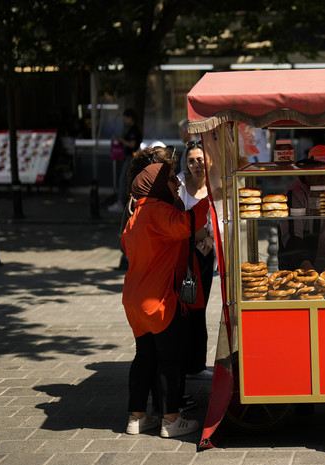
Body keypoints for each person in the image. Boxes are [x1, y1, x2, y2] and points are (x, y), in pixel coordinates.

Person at [121, 162, 209, 438]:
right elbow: (186, 225)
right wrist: (211, 200)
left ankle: (137, 418)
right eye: (172, 180)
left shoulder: (136, 214)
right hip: (159, 298)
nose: (177, 184)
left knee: (144, 356)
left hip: (135, 298)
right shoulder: (158, 211)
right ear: (157, 184)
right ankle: (171, 420)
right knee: (170, 360)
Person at [177, 140, 215, 381]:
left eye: (200, 159)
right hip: (181, 253)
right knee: (182, 307)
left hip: (205, 254)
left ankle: (197, 364)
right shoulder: (179, 183)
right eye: (191, 160)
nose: (196, 164)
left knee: (200, 308)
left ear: (208, 161)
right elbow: (173, 215)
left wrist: (208, 236)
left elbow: (222, 216)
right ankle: (180, 361)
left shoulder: (216, 184)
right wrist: (196, 233)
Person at [109, 109, 143, 213]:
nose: (124, 120)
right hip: (131, 157)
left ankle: (120, 202)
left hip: (131, 157)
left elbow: (132, 144)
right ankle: (128, 202)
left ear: (130, 118)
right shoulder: (132, 129)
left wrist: (121, 141)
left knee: (124, 179)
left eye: (126, 118)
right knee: (129, 180)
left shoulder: (134, 130)